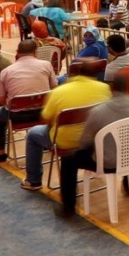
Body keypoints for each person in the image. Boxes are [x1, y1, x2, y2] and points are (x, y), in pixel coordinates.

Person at [56, 72, 129, 218]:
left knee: (68, 159)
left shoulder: (99, 111)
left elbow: (84, 142)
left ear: (111, 88)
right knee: (125, 143)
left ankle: (68, 208)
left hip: (108, 162)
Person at [18, 58, 112, 190]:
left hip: (66, 142)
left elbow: (46, 119)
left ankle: (33, 180)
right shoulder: (105, 88)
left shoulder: (58, 92)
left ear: (71, 73)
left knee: (33, 134)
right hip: (94, 140)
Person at [0, 40, 58, 163]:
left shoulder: (6, 71)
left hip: (17, 115)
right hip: (42, 113)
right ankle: (46, 141)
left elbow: (1, 100)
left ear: (17, 52)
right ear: (35, 52)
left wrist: (17, 102)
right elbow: (54, 89)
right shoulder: (46, 65)